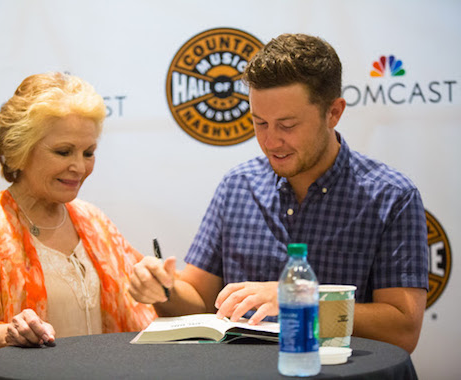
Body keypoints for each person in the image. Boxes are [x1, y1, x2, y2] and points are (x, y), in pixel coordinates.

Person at [129, 33, 428, 354]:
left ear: (334, 113)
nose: (271, 141)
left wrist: (297, 301)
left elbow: (402, 329)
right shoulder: (238, 186)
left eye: (287, 125)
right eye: (259, 123)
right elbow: (199, 301)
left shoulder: (391, 196)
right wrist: (164, 289)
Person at [0, 72, 157, 380]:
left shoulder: (92, 220)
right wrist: (9, 333)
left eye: (89, 152)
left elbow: (143, 305)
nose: (80, 167)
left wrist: (158, 283)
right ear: (20, 149)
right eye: (63, 151)